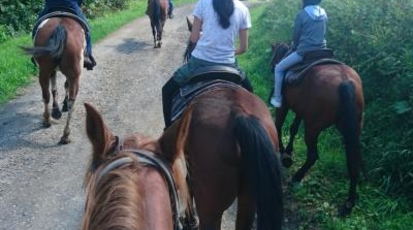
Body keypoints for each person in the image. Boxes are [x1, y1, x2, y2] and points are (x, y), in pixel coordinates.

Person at [162, 0, 253, 128]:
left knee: (167, 90)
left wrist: (206, 37)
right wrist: (229, 51)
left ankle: (167, 129)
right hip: (229, 65)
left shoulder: (203, 3)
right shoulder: (243, 9)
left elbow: (193, 38)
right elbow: (244, 48)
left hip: (199, 63)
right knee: (250, 94)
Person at [270, 0, 327, 107]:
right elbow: (323, 33)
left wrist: (294, 46)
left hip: (304, 52)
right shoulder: (323, 13)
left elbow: (296, 37)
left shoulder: (301, 15)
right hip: (322, 51)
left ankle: (277, 98)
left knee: (278, 69)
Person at [32, 0, 96, 70]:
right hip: (71, 6)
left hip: (51, 6)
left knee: (36, 28)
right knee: (87, 29)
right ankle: (87, 55)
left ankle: (36, 54)